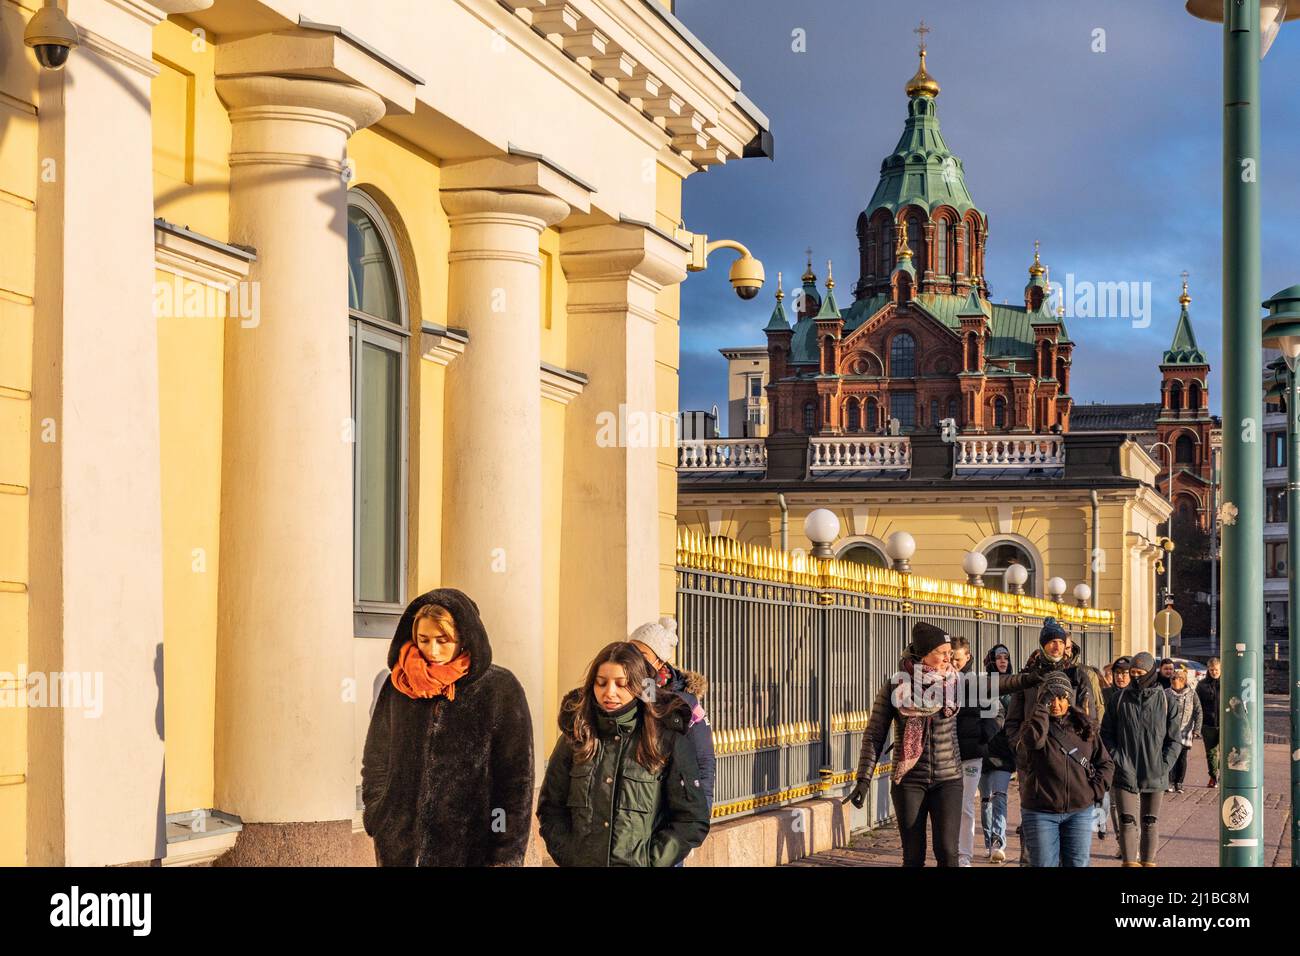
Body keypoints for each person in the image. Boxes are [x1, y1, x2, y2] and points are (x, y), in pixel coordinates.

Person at [361, 589, 534, 866]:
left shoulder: (499, 688)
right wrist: (378, 815)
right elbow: (376, 756)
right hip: (399, 848)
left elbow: (515, 781)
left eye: (443, 640)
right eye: (424, 640)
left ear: (464, 637)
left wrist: (505, 852)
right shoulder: (398, 686)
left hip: (470, 851)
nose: (432, 651)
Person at [537, 642, 709, 867]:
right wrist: (570, 857)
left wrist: (651, 861)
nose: (609, 692)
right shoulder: (577, 736)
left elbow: (692, 819)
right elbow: (551, 808)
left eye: (621, 684)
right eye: (601, 683)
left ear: (638, 686)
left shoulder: (665, 739)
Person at [846, 622, 962, 867]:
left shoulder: (954, 681)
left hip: (949, 778)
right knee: (913, 855)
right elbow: (875, 733)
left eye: (949, 653)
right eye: (943, 652)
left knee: (948, 852)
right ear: (925, 654)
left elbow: (1003, 684)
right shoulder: (896, 685)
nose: (948, 658)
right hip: (910, 780)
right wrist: (863, 779)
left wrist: (1031, 678)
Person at [1016, 671, 1114, 867]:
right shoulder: (1033, 727)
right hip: (1041, 811)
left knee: (1078, 863)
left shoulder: (1084, 726)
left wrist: (1092, 791)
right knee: (1044, 864)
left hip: (1079, 811)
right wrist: (1041, 709)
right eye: (1051, 698)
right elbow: (1033, 743)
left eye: (1061, 698)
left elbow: (1105, 763)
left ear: (1069, 699)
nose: (1056, 703)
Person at [623, 616, 716, 810]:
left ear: (660, 661)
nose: (634, 659)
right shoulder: (623, 691)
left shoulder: (685, 703)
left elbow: (703, 759)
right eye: (630, 651)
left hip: (669, 804)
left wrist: (702, 811)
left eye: (642, 654)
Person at [1100, 651, 1181, 866]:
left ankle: (1148, 862)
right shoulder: (1118, 700)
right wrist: (1118, 759)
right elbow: (1106, 734)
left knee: (1149, 822)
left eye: (1140, 672)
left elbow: (1174, 740)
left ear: (1150, 673)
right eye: (1132, 672)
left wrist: (1163, 765)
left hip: (1155, 771)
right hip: (1125, 770)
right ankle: (1129, 862)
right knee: (1127, 820)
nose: (1135, 677)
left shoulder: (1166, 701)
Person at [977, 643, 1023, 864]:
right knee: (986, 800)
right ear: (991, 660)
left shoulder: (1015, 685)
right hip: (983, 749)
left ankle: (998, 842)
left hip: (1004, 749)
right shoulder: (982, 685)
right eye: (999, 657)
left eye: (1006, 657)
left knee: (1000, 795)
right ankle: (989, 842)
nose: (1003, 661)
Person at [951, 637, 983, 867]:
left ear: (968, 657)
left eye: (958, 659)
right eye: (950, 658)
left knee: (965, 805)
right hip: (947, 753)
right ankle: (949, 850)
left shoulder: (978, 683)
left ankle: (964, 855)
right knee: (947, 805)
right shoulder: (941, 680)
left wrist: (984, 738)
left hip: (971, 752)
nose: (953, 662)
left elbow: (996, 713)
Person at [1165, 664, 1203, 794]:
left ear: (1183, 681)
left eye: (1177, 679)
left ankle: (1179, 782)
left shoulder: (1192, 694)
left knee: (1182, 757)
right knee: (1170, 756)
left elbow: (1198, 711)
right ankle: (1169, 782)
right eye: (1172, 679)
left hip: (1186, 730)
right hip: (1169, 730)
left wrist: (1197, 729)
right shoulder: (1166, 693)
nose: (1174, 682)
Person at [1196, 657, 1221, 788]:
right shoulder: (1202, 685)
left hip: (1225, 725)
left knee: (1226, 751)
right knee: (1211, 753)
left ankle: (1222, 773)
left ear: (1220, 669)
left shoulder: (1227, 683)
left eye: (1216, 670)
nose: (1214, 672)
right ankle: (1213, 776)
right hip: (1208, 724)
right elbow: (1197, 705)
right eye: (1211, 670)